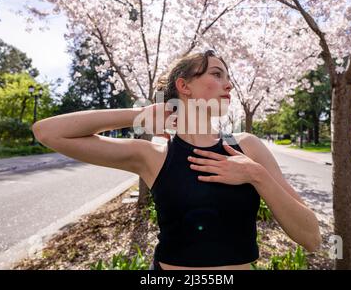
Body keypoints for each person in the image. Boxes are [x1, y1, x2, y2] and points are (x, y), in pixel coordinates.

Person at [32, 50, 321, 270]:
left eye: (227, 76)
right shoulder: (152, 156)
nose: (229, 84)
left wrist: (257, 175)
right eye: (217, 74)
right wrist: (137, 116)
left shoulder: (248, 147)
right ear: (185, 86)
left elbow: (311, 238)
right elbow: (47, 132)